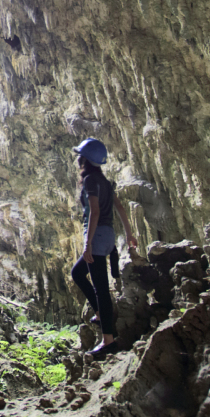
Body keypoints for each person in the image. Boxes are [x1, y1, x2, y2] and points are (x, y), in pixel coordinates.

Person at [70, 137, 136, 358]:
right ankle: (99, 312)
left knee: (101, 289)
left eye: (80, 155)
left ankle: (108, 340)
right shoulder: (105, 182)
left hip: (97, 236)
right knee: (78, 273)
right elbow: (120, 209)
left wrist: (87, 244)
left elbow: (95, 212)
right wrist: (129, 234)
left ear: (85, 159)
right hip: (109, 236)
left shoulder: (90, 181)